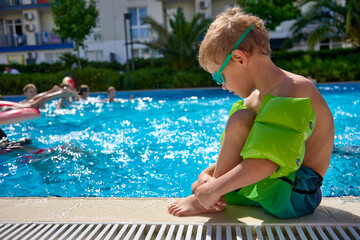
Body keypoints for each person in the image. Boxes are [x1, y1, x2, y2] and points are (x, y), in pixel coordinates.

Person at [168, 8, 334, 219]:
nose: (223, 86)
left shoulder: (294, 90)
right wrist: (208, 175)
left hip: (297, 192)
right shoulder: (255, 99)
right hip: (276, 183)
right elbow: (243, 154)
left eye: (220, 77)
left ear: (239, 58)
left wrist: (215, 188)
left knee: (209, 190)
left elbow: (268, 161)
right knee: (199, 185)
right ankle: (210, 195)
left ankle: (209, 198)